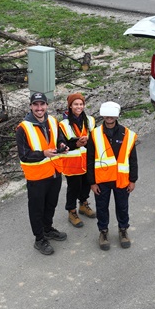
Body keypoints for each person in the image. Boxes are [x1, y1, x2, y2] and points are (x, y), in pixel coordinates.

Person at [15, 91, 68, 255]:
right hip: (37, 177)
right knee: (37, 209)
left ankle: (47, 229)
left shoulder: (53, 121)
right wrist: (43, 154)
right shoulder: (23, 128)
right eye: (36, 105)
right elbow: (24, 155)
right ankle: (39, 239)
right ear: (31, 107)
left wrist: (62, 146)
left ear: (46, 105)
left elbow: (60, 138)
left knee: (51, 204)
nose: (39, 108)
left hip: (55, 172)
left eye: (42, 104)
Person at [87, 101, 138, 251]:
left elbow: (132, 159)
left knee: (122, 207)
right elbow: (89, 159)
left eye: (112, 114)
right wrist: (92, 182)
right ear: (103, 115)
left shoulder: (127, 134)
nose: (109, 117)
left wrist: (132, 180)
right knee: (102, 208)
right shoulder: (94, 134)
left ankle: (123, 230)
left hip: (121, 180)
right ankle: (103, 232)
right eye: (106, 114)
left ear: (116, 115)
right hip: (101, 180)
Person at [58, 93, 97, 228]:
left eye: (81, 104)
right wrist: (76, 144)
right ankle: (71, 211)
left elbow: (95, 137)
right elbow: (62, 142)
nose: (79, 107)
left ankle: (83, 205)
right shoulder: (63, 124)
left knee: (87, 183)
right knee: (74, 187)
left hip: (87, 160)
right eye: (76, 104)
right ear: (70, 106)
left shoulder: (90, 120)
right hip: (72, 162)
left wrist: (87, 142)